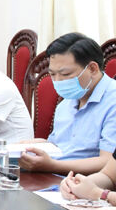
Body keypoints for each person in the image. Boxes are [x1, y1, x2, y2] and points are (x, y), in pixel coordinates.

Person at [19, 33, 116, 174]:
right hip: (52, 174)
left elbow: (108, 162)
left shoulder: (112, 100)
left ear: (92, 69)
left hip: (84, 181)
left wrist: (52, 166)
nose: (57, 81)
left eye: (65, 74)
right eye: (52, 74)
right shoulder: (68, 101)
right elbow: (58, 146)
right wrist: (29, 146)